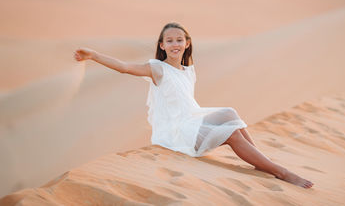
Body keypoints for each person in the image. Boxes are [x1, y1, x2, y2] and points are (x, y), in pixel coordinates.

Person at [74, 22, 314, 188]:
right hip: (177, 132)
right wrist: (94, 55)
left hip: (191, 120)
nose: (175, 44)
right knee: (231, 133)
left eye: (179, 40)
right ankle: (280, 171)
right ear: (162, 45)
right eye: (169, 41)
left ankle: (263, 163)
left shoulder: (188, 70)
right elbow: (125, 67)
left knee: (230, 112)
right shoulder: (157, 68)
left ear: (187, 43)